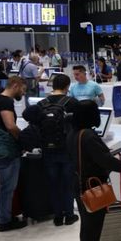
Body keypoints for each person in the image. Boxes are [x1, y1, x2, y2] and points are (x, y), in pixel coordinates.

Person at [69, 100, 121, 241]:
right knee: (92, 227)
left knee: (87, 226)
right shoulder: (88, 135)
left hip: (79, 184)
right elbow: (105, 160)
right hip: (91, 186)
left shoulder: (73, 132)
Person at [0, 77, 28, 232]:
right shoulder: (6, 102)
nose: (23, 93)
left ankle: (2, 217)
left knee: (5, 186)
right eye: (23, 89)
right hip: (6, 150)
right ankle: (4, 220)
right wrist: (23, 139)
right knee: (8, 187)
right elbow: (10, 126)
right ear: (15, 85)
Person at [39, 73, 79, 226]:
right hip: (66, 148)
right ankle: (69, 215)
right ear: (67, 87)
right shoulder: (72, 102)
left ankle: (57, 216)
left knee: (53, 183)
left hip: (47, 149)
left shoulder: (42, 103)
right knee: (68, 182)